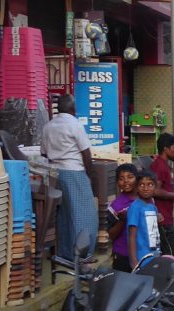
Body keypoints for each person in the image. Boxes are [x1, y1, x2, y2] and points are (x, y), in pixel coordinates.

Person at [40, 94, 97, 259]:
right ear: (73, 109)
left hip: (55, 173)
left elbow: (43, 152)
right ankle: (82, 256)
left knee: (63, 215)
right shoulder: (75, 125)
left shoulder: (48, 126)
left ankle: (65, 253)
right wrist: (90, 175)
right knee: (84, 215)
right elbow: (86, 152)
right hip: (74, 171)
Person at [126, 170, 162, 269]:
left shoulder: (153, 207)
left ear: (155, 187)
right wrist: (134, 262)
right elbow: (131, 236)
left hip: (154, 255)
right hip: (141, 258)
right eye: (141, 185)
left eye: (150, 185)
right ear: (136, 188)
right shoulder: (135, 207)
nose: (146, 188)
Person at [107, 163, 138, 272]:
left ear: (137, 179)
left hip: (143, 253)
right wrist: (122, 220)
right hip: (123, 255)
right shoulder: (115, 206)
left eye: (130, 177)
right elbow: (112, 235)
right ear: (117, 183)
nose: (126, 181)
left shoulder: (146, 200)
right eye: (121, 178)